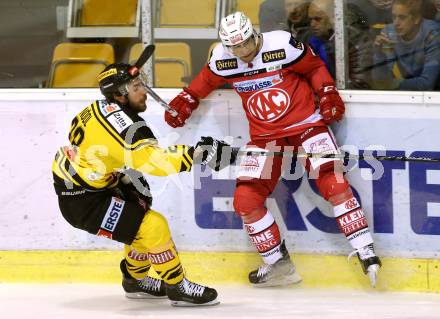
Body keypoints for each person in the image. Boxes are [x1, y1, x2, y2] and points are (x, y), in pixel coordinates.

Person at [164, 12, 382, 287]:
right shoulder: (222, 57)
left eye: (246, 43)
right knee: (246, 200)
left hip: (306, 126)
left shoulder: (280, 44)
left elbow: (314, 68)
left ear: (254, 35)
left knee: (333, 182)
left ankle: (365, 250)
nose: (243, 51)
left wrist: (327, 91)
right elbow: (204, 82)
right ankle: (279, 265)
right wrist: (186, 99)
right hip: (265, 138)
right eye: (235, 47)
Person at [51, 60, 235, 306]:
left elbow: (103, 148)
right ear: (119, 94)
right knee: (153, 226)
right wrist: (200, 153)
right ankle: (177, 286)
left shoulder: (100, 107)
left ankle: (135, 281)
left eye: (141, 83)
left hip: (90, 182)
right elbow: (156, 163)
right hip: (83, 201)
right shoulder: (127, 128)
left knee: (141, 203)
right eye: (136, 86)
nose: (144, 90)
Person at [372, 0, 440, 90]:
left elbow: (427, 84)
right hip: (400, 95)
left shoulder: (432, 34)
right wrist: (379, 54)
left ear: (416, 19)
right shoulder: (389, 33)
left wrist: (393, 84)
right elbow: (380, 81)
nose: (396, 23)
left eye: (402, 17)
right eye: (394, 17)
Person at [307, 0, 373, 89]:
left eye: (318, 19)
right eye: (310, 19)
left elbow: (360, 84)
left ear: (334, 17)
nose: (312, 24)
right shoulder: (311, 40)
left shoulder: (355, 40)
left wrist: (323, 88)